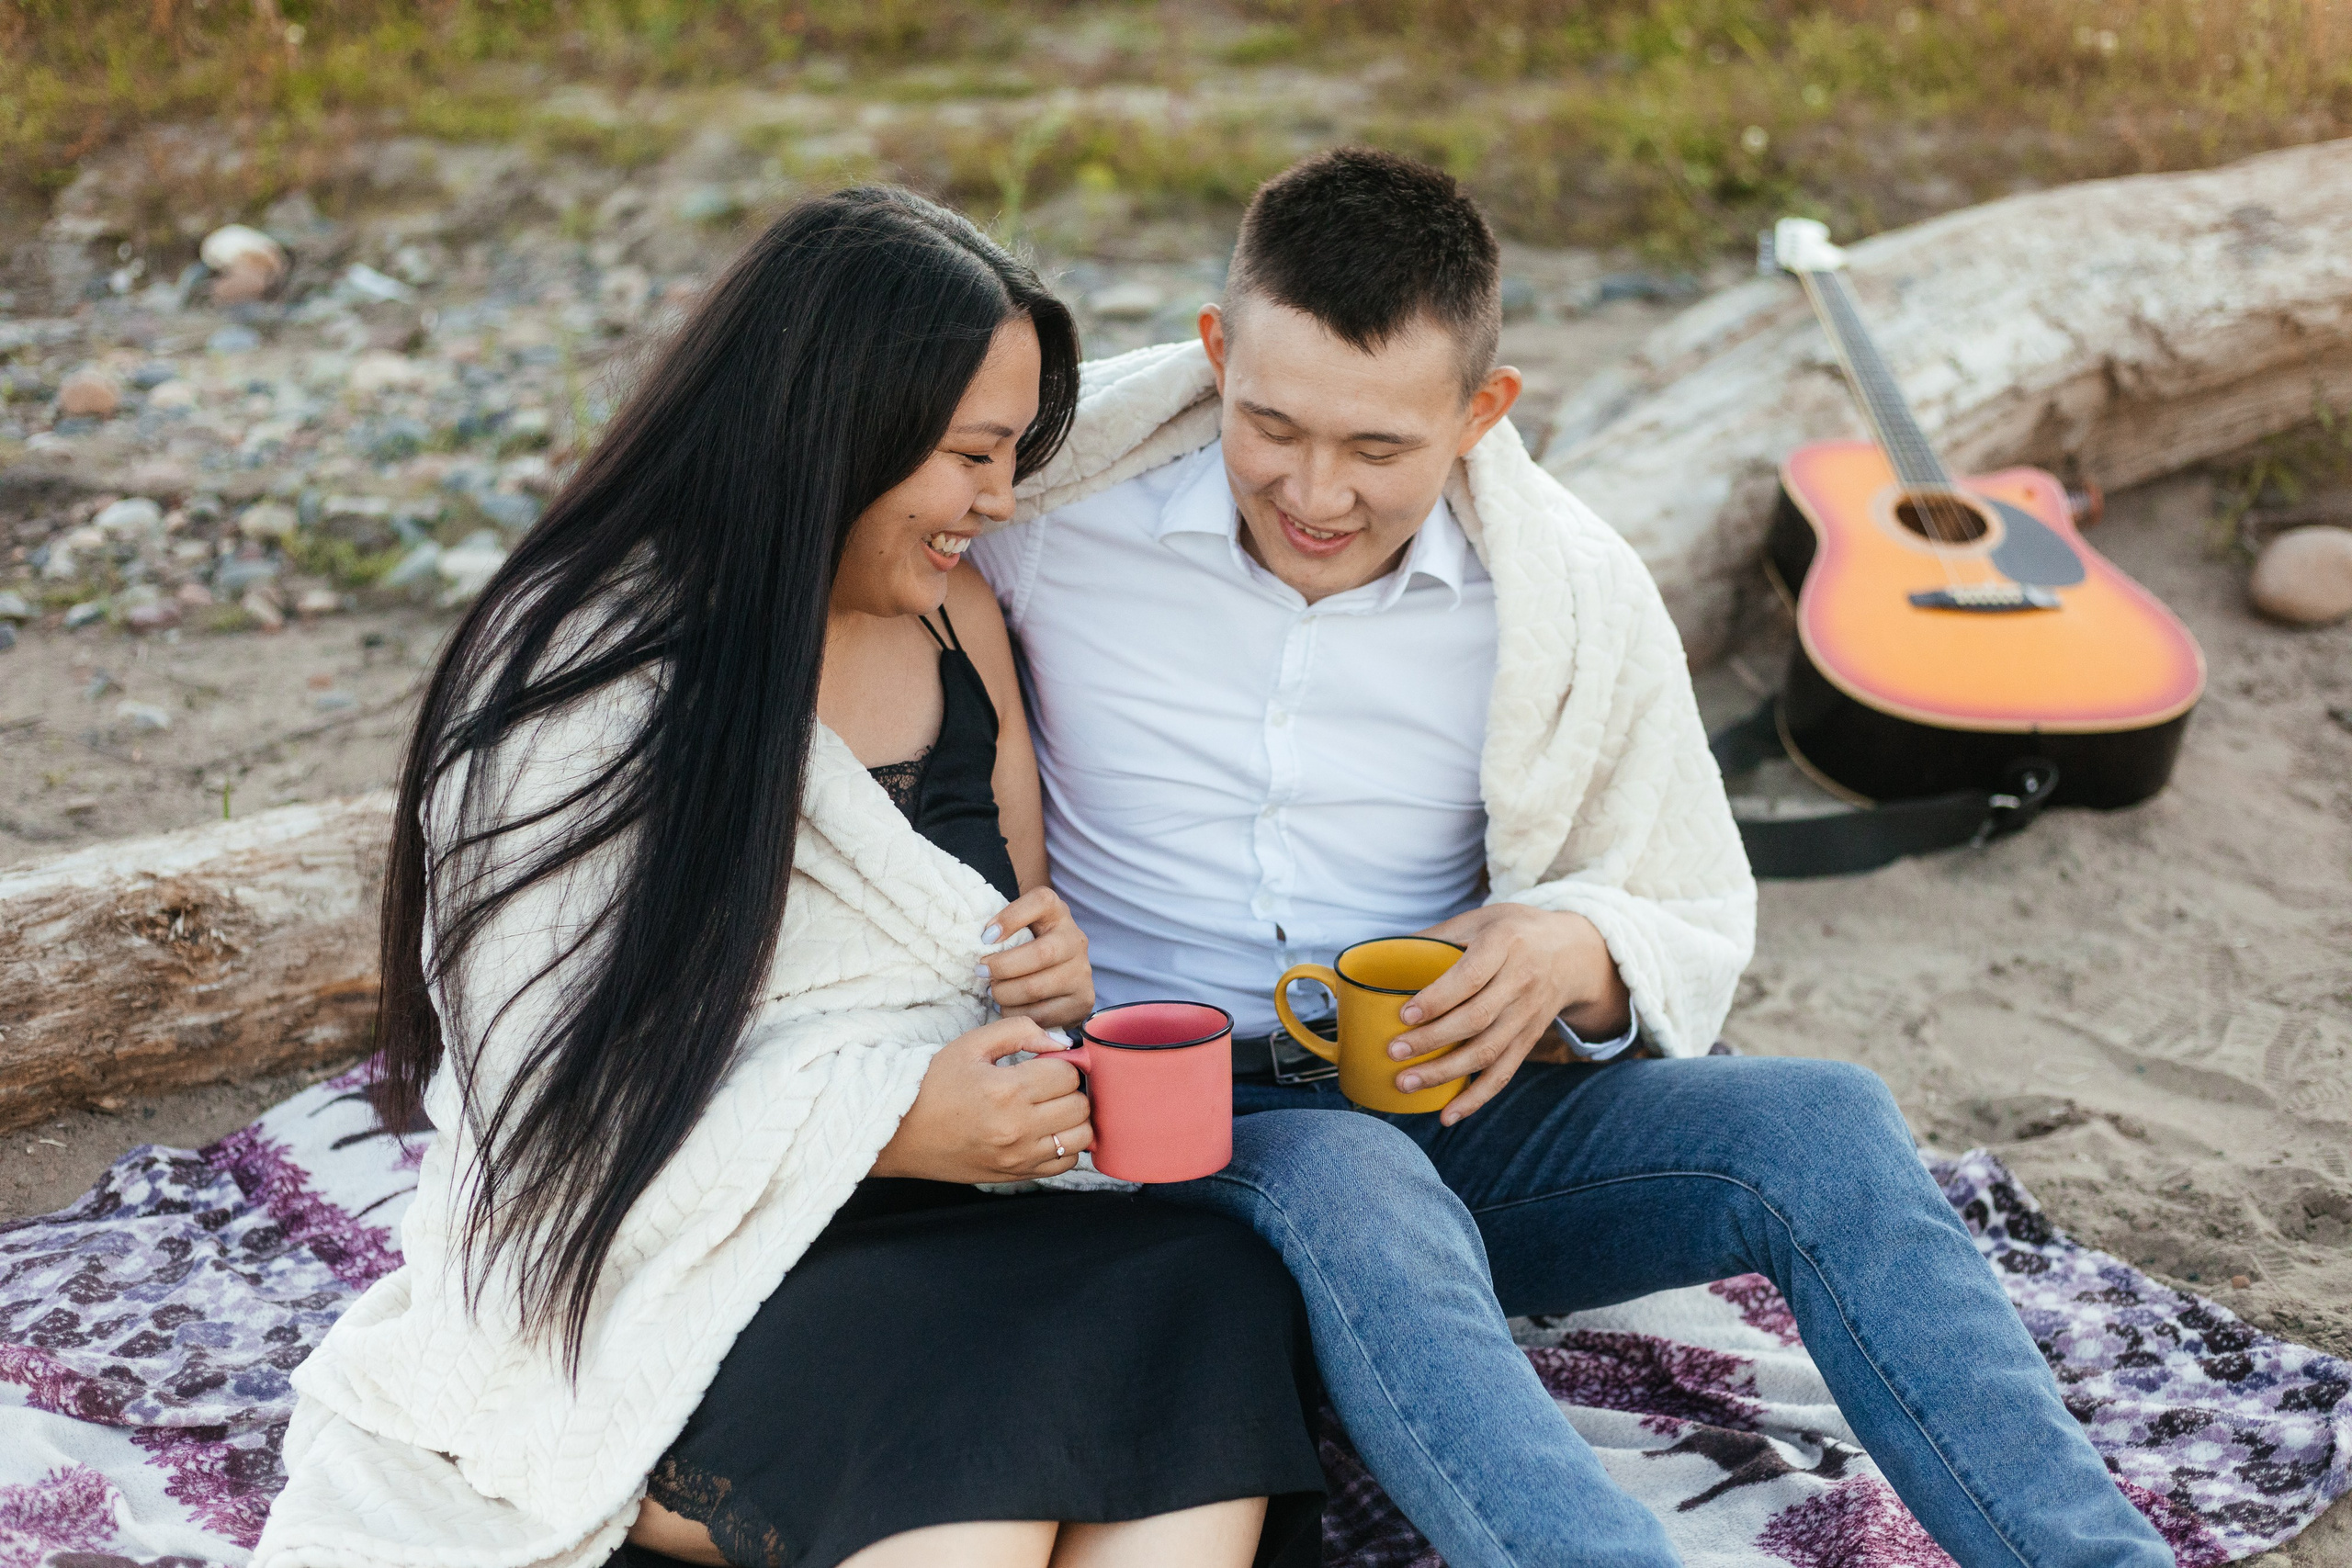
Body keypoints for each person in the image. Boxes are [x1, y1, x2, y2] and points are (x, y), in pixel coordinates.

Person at [971, 149, 2176, 1568]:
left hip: (1451, 1093)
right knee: (1359, 1179)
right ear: (1215, 354)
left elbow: (1679, 891)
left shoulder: (1566, 591)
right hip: (1160, 1114)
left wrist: (1579, 951)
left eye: (1379, 450)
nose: (1315, 490)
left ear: (1483, 411)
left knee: (1825, 1125)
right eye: (1272, 424)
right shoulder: (1054, 519)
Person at [254, 189, 1325, 1568]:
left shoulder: (960, 619)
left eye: (1012, 458)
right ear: (838, 432)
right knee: (978, 1459)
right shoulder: (589, 675)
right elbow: (545, 1107)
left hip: (961, 1219)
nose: (999, 504)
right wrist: (885, 1126)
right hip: (695, 1259)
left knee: (1211, 1294)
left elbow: (1001, 939)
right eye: (972, 457)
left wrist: (1053, 982)